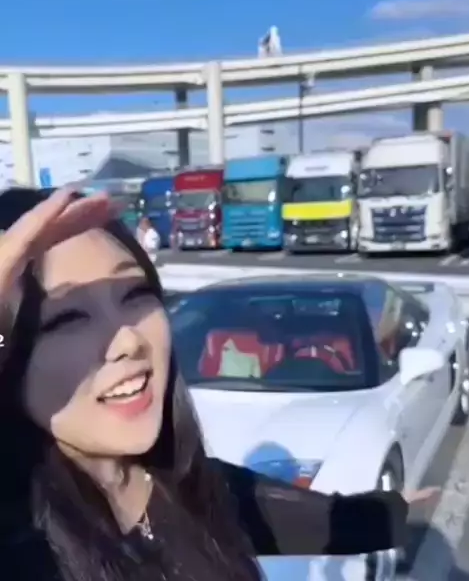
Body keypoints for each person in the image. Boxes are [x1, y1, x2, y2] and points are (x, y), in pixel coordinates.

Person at [0, 187, 434, 581]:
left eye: (134, 294)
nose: (128, 340)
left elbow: (323, 521)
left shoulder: (188, 484)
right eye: (66, 318)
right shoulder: (25, 542)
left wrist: (397, 513)